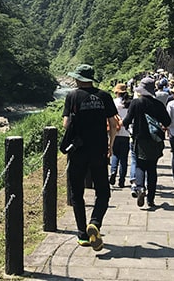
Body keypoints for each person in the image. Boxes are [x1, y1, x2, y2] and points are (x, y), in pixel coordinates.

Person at [63, 64, 118, 251]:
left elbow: (66, 124)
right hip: (99, 150)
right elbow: (113, 123)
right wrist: (110, 146)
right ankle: (95, 222)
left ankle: (82, 235)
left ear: (78, 79)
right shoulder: (104, 96)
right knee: (103, 191)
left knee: (77, 193)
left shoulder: (72, 96)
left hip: (78, 151)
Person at [123, 76, 170, 209]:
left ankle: (140, 188)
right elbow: (167, 121)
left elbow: (126, 121)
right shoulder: (158, 105)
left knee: (139, 165)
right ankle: (151, 199)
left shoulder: (135, 103)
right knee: (152, 169)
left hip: (140, 139)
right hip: (155, 140)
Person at [109, 83, 132, 187]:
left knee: (115, 154)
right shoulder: (129, 104)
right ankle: (122, 180)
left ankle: (113, 172)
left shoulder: (113, 103)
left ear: (117, 92)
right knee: (124, 158)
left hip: (115, 132)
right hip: (126, 133)